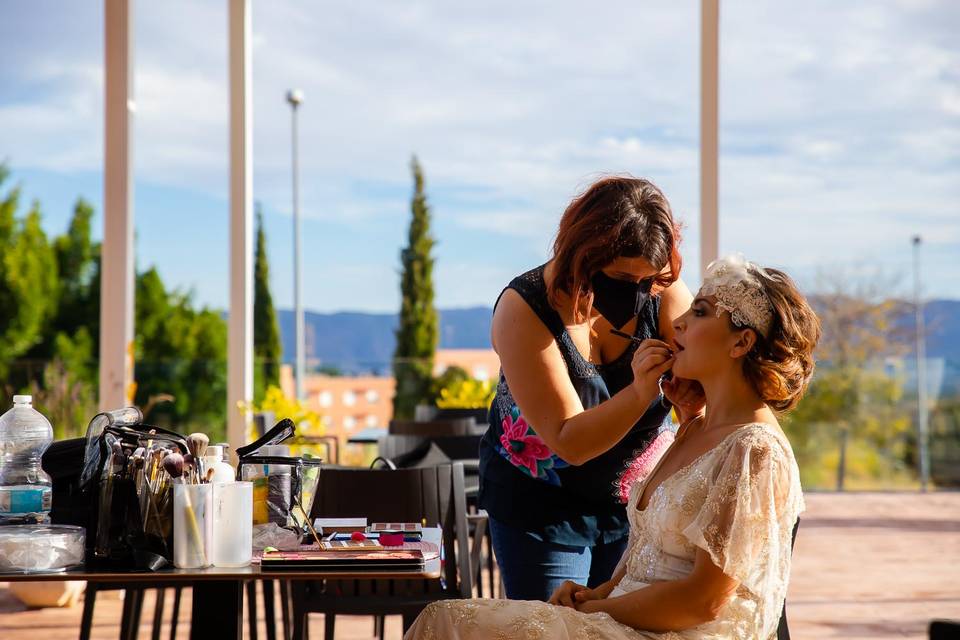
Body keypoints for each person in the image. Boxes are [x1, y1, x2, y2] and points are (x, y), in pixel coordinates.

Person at [405, 254, 821, 639]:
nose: (676, 324)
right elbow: (649, 557)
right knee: (444, 619)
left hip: (668, 634)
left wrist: (597, 612)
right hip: (622, 620)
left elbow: (704, 600)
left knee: (449, 624)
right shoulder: (693, 428)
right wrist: (594, 595)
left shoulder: (755, 451)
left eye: (699, 313)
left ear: (741, 343)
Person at [477, 176, 702, 601]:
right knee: (553, 629)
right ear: (584, 256)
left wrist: (694, 402)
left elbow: (707, 383)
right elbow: (569, 441)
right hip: (542, 508)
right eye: (620, 278)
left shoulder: (662, 290)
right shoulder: (524, 309)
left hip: (636, 504)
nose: (636, 295)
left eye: (646, 282)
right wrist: (640, 393)